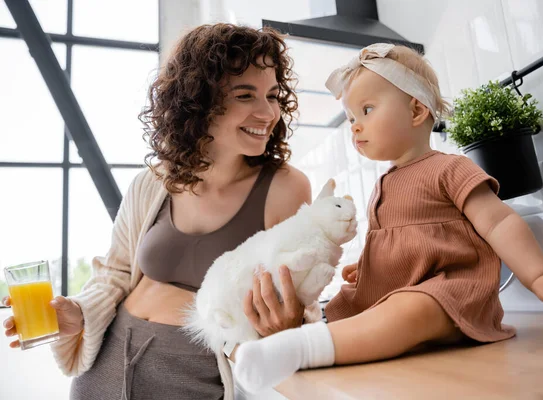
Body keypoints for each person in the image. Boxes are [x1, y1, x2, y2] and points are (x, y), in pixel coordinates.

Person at [232, 43, 543, 393]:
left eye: (367, 110)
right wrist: (373, 266)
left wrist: (539, 275)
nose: (355, 126)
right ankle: (307, 341)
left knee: (416, 307)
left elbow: (499, 223)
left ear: (417, 111)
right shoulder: (382, 185)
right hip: (398, 296)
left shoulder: (449, 168)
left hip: (450, 296)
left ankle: (301, 350)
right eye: (352, 117)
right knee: (360, 303)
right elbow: (402, 244)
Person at [2, 23, 314, 400]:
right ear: (199, 100)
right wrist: (79, 313)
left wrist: (291, 325)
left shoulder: (285, 188)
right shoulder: (154, 182)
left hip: (193, 377)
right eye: (245, 95)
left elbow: (300, 304)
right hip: (106, 365)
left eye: (273, 95)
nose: (268, 112)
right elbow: (116, 272)